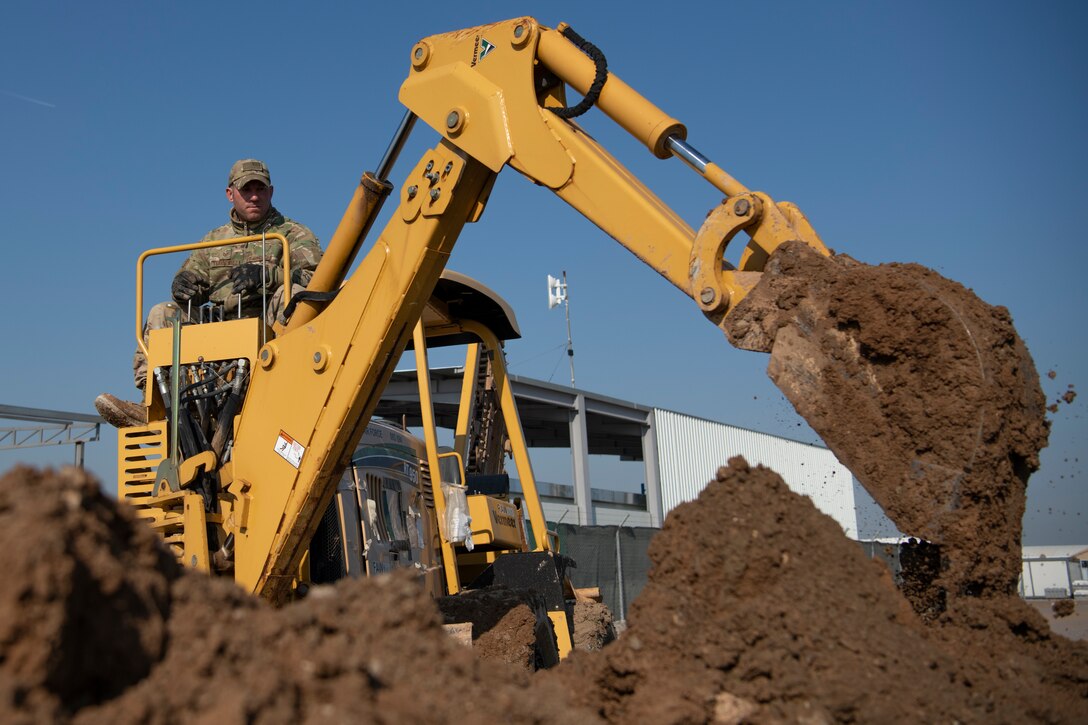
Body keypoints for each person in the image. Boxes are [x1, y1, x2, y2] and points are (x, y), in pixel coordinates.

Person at [95, 159, 323, 427]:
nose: (253, 196)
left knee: (292, 294)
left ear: (270, 193)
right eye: (246, 189)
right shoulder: (214, 241)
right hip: (218, 331)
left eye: (260, 189)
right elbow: (191, 280)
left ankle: (284, 392)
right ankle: (157, 405)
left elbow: (317, 282)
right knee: (163, 312)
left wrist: (269, 276)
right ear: (230, 194)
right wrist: (183, 285)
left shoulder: (293, 234)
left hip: (268, 333)